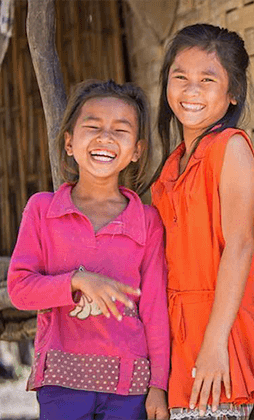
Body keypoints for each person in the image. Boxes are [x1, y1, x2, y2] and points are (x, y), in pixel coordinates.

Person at [8, 80, 169, 420]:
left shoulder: (147, 220)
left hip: (131, 384)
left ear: (137, 150)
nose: (105, 137)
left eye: (120, 130)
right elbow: (20, 291)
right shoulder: (43, 210)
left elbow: (155, 309)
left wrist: (159, 384)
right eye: (93, 126)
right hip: (62, 383)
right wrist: (78, 281)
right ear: (69, 142)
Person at [151, 24, 254, 420]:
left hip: (219, 334)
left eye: (208, 79)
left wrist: (215, 343)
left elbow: (240, 246)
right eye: (180, 77)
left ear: (232, 93)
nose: (191, 90)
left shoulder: (230, 148)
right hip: (176, 334)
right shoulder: (172, 166)